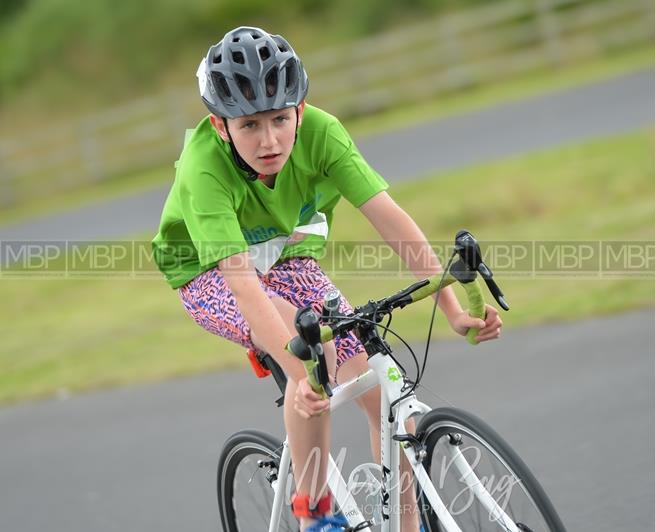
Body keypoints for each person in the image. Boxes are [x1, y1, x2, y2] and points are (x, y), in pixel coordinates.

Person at [151, 26, 503, 532]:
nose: (269, 140)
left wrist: (452, 308)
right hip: (209, 271)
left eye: (280, 119)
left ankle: (404, 524)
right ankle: (313, 513)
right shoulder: (202, 168)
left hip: (284, 253)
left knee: (384, 394)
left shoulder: (322, 132)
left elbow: (388, 216)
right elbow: (244, 285)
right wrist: (299, 372)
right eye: (249, 125)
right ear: (220, 126)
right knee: (312, 357)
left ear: (300, 109)